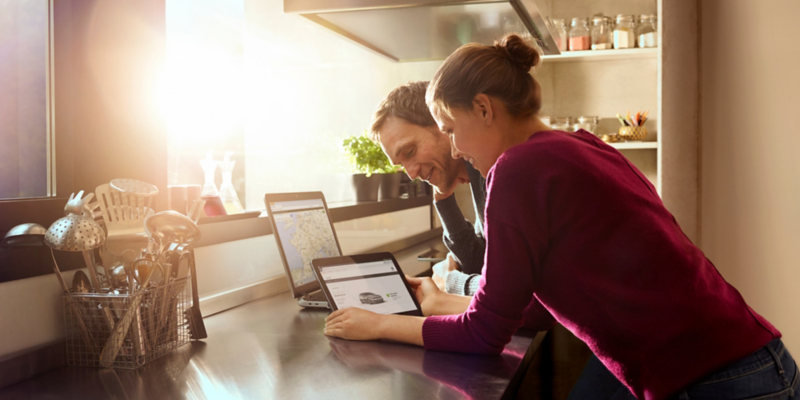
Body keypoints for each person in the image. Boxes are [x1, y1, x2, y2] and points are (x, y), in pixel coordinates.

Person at [325, 34, 797, 400]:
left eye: (451, 129)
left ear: (484, 109)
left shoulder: (517, 170)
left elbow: (484, 335)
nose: (456, 148)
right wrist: (443, 302)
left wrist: (379, 325)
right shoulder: (576, 145)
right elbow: (529, 305)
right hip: (748, 361)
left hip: (717, 381)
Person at [367, 81, 486, 296]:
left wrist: (449, 281)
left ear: (442, 123)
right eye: (401, 165)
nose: (411, 174)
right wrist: (444, 201)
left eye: (410, 151)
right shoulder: (478, 175)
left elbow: (512, 293)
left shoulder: (493, 170)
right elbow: (480, 263)